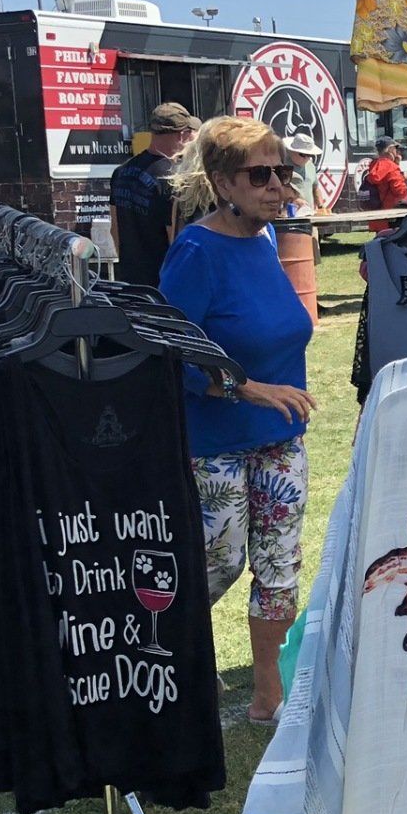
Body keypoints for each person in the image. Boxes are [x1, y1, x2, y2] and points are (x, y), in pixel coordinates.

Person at [160, 116, 317, 727]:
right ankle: (165, 673)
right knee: (214, 565)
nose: (278, 184)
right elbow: (170, 352)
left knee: (279, 569)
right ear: (224, 182)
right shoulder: (196, 250)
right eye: (261, 174)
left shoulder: (266, 240)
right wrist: (246, 389)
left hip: (280, 444)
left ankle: (267, 693)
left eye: (284, 170)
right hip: (215, 446)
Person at [110, 101, 198, 287]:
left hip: (130, 281)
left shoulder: (121, 172)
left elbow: (115, 229)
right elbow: (175, 238)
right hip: (162, 285)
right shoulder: (174, 179)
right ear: (182, 135)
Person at [362, 136, 407, 230]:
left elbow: (383, 183)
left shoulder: (374, 165)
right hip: (391, 217)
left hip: (375, 216)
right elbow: (400, 191)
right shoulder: (391, 167)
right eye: (396, 148)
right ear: (390, 150)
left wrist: (396, 164)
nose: (397, 151)